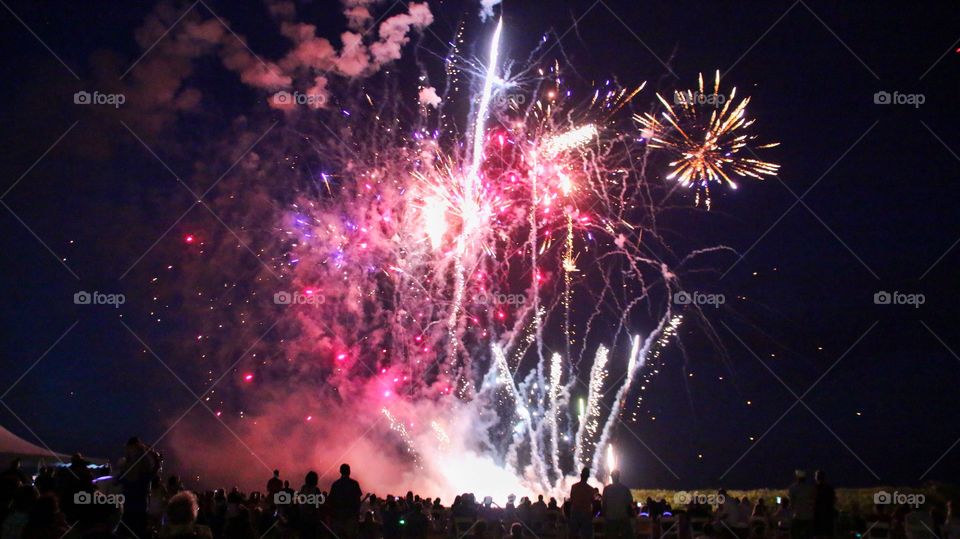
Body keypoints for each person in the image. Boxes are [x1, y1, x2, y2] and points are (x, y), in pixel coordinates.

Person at [329, 463, 363, 539]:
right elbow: (358, 501)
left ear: (340, 471)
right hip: (350, 518)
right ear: (349, 471)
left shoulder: (336, 484)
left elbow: (331, 501)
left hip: (338, 518)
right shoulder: (354, 484)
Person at [602, 470, 635, 539]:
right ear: (619, 477)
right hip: (622, 518)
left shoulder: (606, 489)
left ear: (611, 477)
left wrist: (604, 516)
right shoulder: (625, 489)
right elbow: (629, 503)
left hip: (610, 518)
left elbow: (604, 504)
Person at [789, 470, 816, 539]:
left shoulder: (793, 488)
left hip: (798, 515)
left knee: (795, 535)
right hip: (809, 515)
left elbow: (792, 503)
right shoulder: (810, 487)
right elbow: (813, 500)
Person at [569, 467, 595, 539]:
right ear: (588, 476)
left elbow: (572, 500)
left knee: (573, 535)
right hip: (586, 514)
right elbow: (592, 502)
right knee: (587, 535)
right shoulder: (590, 489)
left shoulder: (574, 487)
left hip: (575, 514)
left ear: (581, 475)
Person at [813, 470, 836, 539]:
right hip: (828, 515)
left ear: (816, 477)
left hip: (817, 515)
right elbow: (833, 500)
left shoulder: (814, 489)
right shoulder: (829, 488)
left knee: (817, 535)